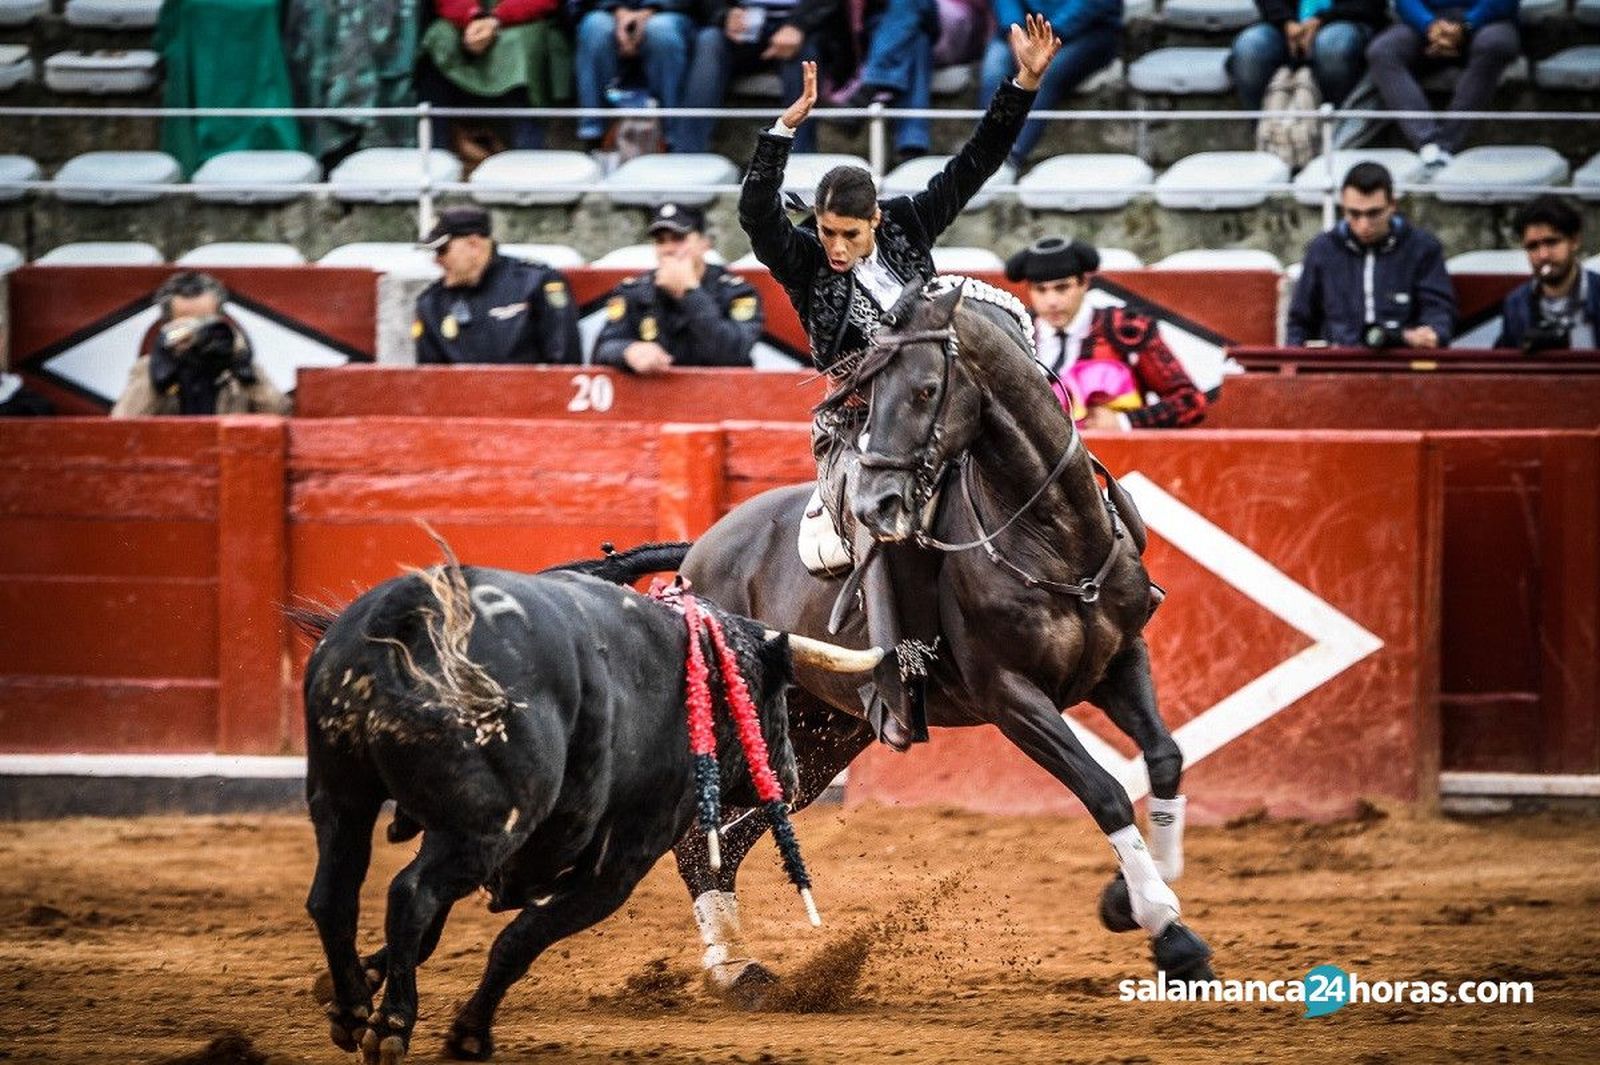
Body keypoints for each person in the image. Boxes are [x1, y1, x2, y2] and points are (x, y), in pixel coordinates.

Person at [740, 15, 1062, 751]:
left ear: (876, 221)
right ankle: (897, 674)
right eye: (827, 233)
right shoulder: (804, 261)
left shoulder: (911, 226)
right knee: (881, 518)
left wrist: (1024, 84)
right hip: (858, 427)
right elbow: (755, 216)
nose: (837, 248)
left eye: (850, 234)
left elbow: (976, 162)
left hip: (927, 411)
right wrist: (781, 133)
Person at [1006, 236, 1206, 430]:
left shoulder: (1126, 330)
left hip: (1114, 459)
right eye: (1041, 290)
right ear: (1029, 289)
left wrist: (1125, 422)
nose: (1052, 301)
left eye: (1062, 287)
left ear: (1084, 283)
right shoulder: (1014, 334)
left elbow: (1190, 401)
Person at [1286, 162, 1455, 349]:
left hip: (1404, 364)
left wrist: (1428, 334)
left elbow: (1438, 315)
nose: (1364, 224)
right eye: (1354, 214)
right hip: (1338, 366)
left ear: (1392, 206)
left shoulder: (1422, 248)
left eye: (1373, 213)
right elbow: (1299, 322)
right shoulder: (1323, 249)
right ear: (1343, 208)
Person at [593, 203, 765, 373]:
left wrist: (690, 292)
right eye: (661, 241)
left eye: (679, 238)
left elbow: (733, 354)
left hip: (721, 394)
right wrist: (628, 350)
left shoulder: (736, 292)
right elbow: (603, 347)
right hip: (654, 394)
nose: (668, 249)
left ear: (704, 243)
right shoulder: (634, 291)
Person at [412, 206, 582, 364]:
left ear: (474, 245)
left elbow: (565, 365)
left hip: (529, 394)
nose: (437, 260)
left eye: (442, 250)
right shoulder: (432, 304)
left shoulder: (535, 283)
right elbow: (430, 380)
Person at [1365, 0, 1521, 169]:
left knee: (1494, 44)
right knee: (1382, 51)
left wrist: (1467, 24)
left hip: (1488, 21)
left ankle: (1446, 144)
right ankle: (1429, 143)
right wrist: (1428, 25)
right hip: (1428, 24)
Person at [110, 272, 291, 417]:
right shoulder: (149, 368)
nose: (198, 333)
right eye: (186, 325)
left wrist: (243, 369)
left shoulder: (235, 369)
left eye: (206, 322)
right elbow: (121, 425)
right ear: (167, 325)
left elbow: (281, 416)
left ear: (221, 320)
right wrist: (159, 373)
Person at [416, 0, 573, 166]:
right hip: (465, 19)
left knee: (517, 49)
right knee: (438, 38)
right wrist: (473, 17)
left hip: (524, 21)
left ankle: (528, 157)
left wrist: (494, 20)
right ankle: (434, 157)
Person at [679, 0, 837, 154]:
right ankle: (689, 154)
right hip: (741, 26)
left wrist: (799, 25)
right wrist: (724, 14)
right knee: (710, 41)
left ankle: (799, 156)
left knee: (806, 63)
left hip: (803, 29)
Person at [978, 0, 1120, 170]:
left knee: (1045, 75)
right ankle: (982, 154)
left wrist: (1046, 39)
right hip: (1023, 29)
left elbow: (1090, 5)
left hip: (1087, 29)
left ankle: (1008, 159)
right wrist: (1014, 31)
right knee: (993, 70)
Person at [572, 0, 705, 153]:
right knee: (596, 28)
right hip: (607, 10)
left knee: (661, 32)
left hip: (671, 12)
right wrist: (619, 12)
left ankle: (672, 140)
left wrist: (648, 12)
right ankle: (594, 137)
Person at [831, 0, 942, 165]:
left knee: (908, 11)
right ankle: (911, 149)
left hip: (949, 20)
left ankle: (871, 85)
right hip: (887, 29)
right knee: (917, 39)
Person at [1227, 0, 1388, 111]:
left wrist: (1321, 21)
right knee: (1249, 47)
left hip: (1349, 20)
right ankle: (1269, 135)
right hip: (1285, 24)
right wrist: (1286, 22)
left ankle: (1335, 133)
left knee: (1332, 44)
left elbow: (1370, 5)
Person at [1495, 195, 1599, 352]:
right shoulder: (1516, 304)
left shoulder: (1596, 292)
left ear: (1574, 241)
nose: (1543, 255)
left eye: (1552, 242)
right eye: (1532, 246)